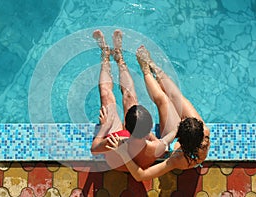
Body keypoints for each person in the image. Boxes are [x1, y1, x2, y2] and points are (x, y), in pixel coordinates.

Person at [106, 45, 211, 181]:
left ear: (180, 136)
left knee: (163, 100)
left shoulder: (179, 159)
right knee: (176, 97)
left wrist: (123, 154)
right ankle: (154, 67)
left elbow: (140, 176)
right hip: (181, 138)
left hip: (169, 140)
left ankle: (146, 70)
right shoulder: (203, 132)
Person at [90, 30, 180, 171]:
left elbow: (94, 149)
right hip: (137, 140)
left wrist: (105, 127)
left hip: (120, 149)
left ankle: (106, 57)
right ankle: (120, 59)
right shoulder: (156, 147)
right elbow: (168, 139)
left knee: (106, 95)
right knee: (130, 97)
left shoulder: (115, 142)